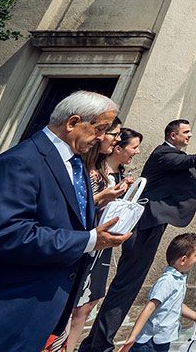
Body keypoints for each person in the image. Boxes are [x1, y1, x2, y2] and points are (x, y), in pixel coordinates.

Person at [0, 91, 131, 352]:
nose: (105, 138)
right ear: (72, 123)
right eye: (101, 129)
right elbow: (5, 233)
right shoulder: (20, 163)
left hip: (27, 319)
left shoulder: (74, 164)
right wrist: (89, 240)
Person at [79, 120, 196, 352]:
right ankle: (99, 345)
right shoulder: (163, 153)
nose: (190, 135)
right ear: (172, 134)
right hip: (145, 225)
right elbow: (194, 160)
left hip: (153, 224)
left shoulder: (170, 154)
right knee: (126, 286)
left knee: (127, 286)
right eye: (186, 132)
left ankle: (96, 343)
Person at [65, 127, 144, 351]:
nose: (137, 152)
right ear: (117, 148)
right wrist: (105, 198)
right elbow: (80, 208)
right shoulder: (92, 173)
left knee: (89, 303)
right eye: (134, 147)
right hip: (87, 241)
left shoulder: (120, 176)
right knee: (75, 304)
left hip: (104, 244)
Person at [119, 233, 196, 352]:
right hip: (149, 342)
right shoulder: (167, 281)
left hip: (162, 340)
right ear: (183, 260)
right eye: (195, 255)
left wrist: (195, 316)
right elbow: (149, 308)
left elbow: (175, 305)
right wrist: (132, 337)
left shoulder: (179, 279)